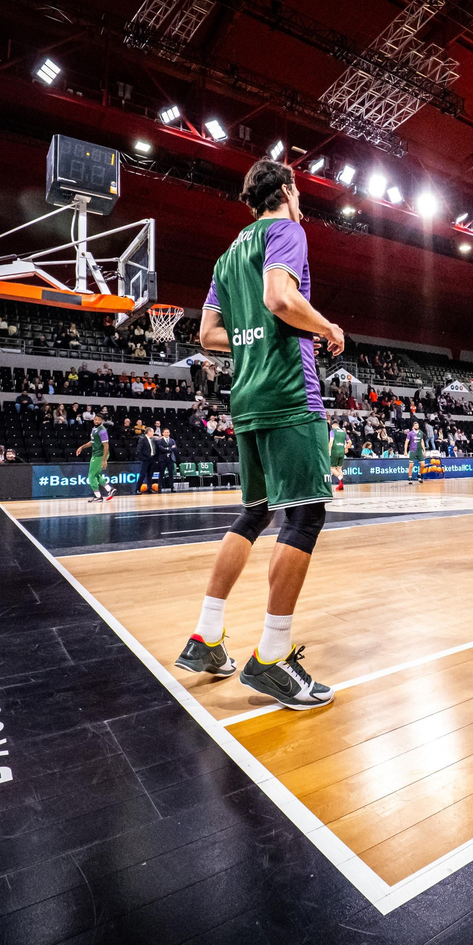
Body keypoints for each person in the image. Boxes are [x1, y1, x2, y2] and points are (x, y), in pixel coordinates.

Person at [172, 157, 343, 711]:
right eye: (298, 193)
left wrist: (254, 339)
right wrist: (326, 326)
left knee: (254, 512)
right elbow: (279, 299)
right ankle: (271, 658)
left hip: (245, 398)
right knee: (305, 517)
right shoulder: (286, 231)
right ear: (288, 191)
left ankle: (207, 635)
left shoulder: (227, 256)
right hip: (288, 394)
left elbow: (208, 334)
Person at [75, 412, 115, 503]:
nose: (96, 421)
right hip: (96, 454)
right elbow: (92, 442)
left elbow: (106, 446)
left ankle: (98, 496)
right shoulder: (94, 429)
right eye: (95, 419)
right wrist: (82, 447)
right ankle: (109, 489)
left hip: (100, 455)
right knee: (96, 474)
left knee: (91, 475)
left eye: (98, 420)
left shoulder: (102, 431)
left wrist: (104, 460)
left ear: (102, 421)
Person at [329, 420, 348, 492]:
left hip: (335, 451)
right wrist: (346, 448)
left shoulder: (332, 431)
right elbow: (349, 442)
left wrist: (329, 451)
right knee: (339, 468)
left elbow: (331, 441)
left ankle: (340, 478)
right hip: (342, 451)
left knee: (332, 468)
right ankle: (341, 485)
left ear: (333, 425)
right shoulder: (344, 432)